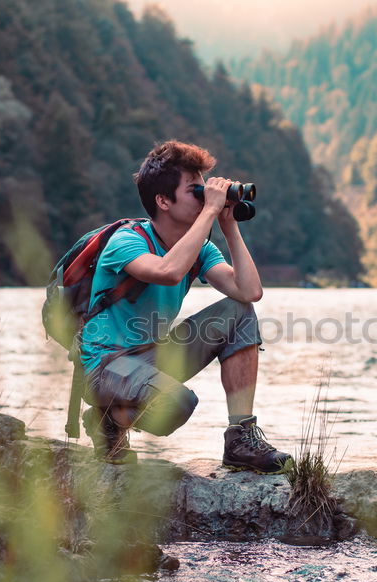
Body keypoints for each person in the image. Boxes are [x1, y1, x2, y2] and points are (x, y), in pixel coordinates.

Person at [76, 140, 292, 474]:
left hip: (150, 356)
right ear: (163, 201)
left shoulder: (200, 248)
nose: (205, 197)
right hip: (105, 364)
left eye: (204, 190)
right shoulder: (127, 241)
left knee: (239, 312)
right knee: (177, 404)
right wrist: (209, 212)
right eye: (196, 191)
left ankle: (241, 438)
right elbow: (167, 271)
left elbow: (249, 292)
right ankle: (108, 420)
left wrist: (228, 225)